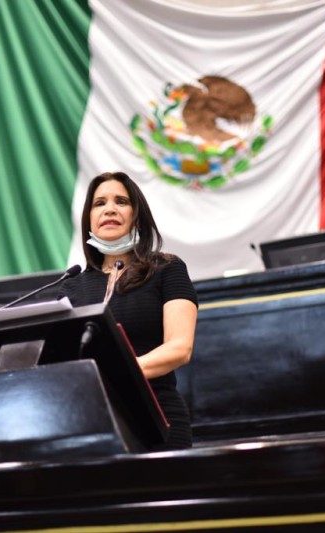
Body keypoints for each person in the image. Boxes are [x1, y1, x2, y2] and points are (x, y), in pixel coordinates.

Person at [58, 171, 199, 450]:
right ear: (89, 219)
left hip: (157, 420)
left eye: (121, 201)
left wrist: (115, 374)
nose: (109, 209)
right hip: (91, 426)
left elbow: (180, 348)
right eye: (99, 203)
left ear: (137, 215)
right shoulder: (71, 286)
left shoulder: (167, 269)